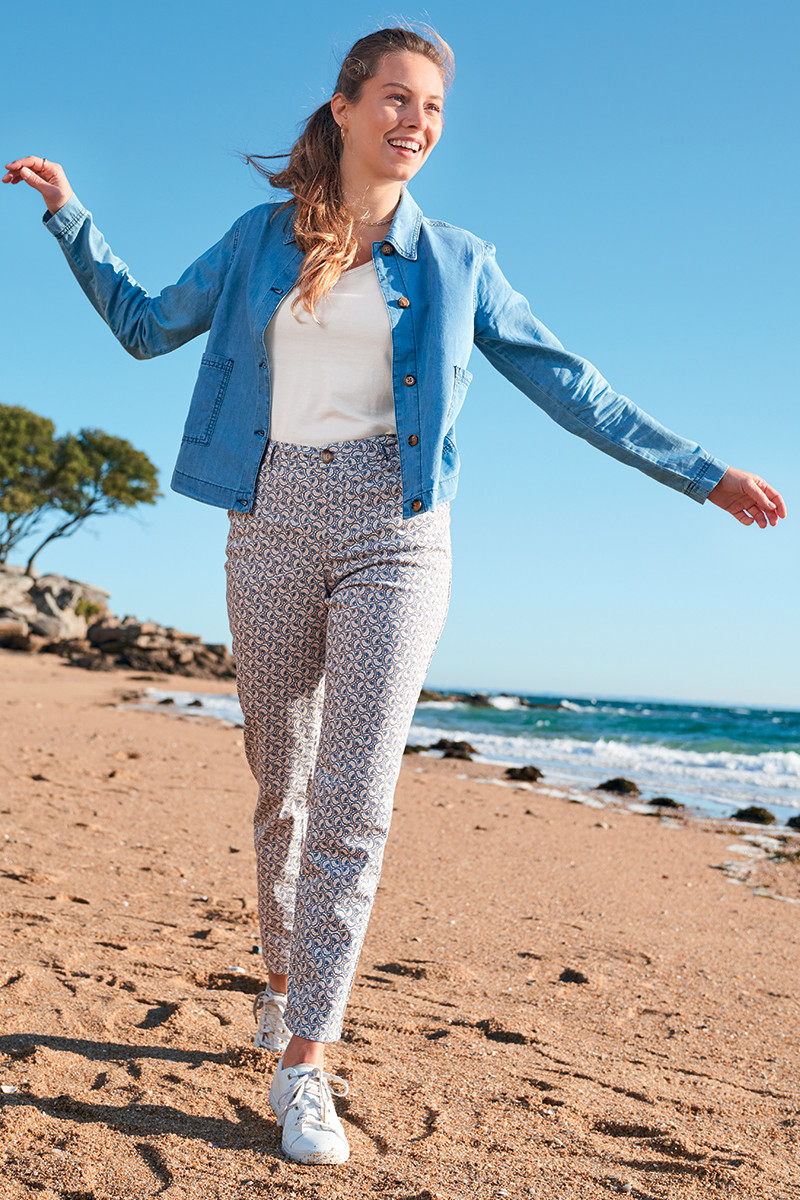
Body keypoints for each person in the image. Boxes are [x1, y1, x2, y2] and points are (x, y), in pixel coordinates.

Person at [3, 24, 785, 1169]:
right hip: (268, 516)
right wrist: (69, 215)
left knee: (356, 795)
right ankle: (282, 985)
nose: (415, 122)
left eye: (432, 108)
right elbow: (142, 326)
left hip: (397, 531)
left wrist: (700, 474)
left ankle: (305, 1060)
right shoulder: (259, 239)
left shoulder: (459, 262)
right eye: (395, 99)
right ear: (342, 106)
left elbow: (571, 387)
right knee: (281, 783)